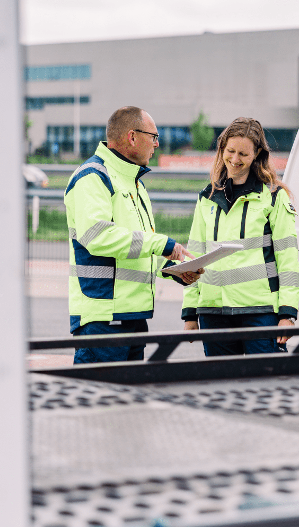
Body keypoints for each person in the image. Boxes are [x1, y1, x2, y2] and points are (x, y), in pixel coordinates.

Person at [65, 106, 201, 364]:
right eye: (154, 137)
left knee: (128, 402)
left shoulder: (134, 183)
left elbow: (138, 246)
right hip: (103, 320)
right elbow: (98, 236)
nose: (157, 144)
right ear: (132, 137)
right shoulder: (93, 177)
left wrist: (174, 269)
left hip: (132, 317)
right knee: (101, 400)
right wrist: (162, 244)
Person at [182, 117, 299, 355]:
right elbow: (194, 256)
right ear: (222, 149)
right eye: (230, 151)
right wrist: (190, 312)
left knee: (263, 385)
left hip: (260, 311)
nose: (235, 160)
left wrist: (287, 314)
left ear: (257, 154)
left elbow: (288, 260)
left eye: (243, 154)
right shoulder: (207, 198)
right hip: (213, 312)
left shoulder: (274, 197)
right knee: (222, 386)